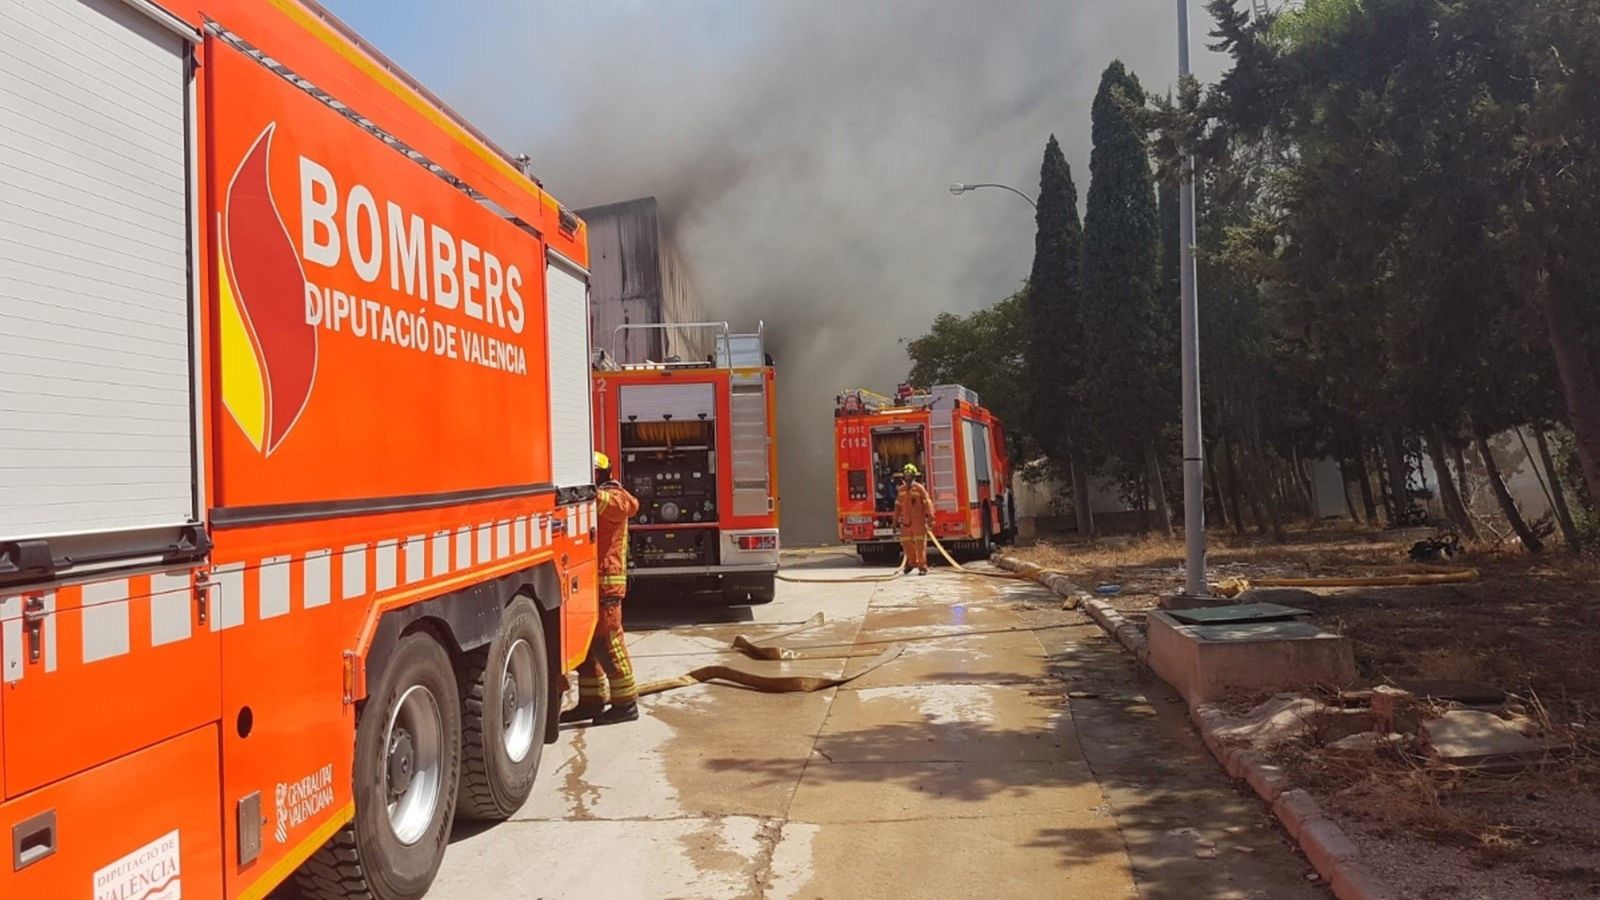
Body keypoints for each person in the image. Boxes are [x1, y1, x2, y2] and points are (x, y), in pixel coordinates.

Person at [560, 452, 642, 726]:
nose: (590, 476)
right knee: (589, 648)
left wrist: (583, 488)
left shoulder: (617, 497)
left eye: (593, 472)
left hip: (606, 583)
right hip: (587, 583)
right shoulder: (596, 499)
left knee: (609, 643)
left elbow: (617, 505)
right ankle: (591, 702)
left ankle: (626, 703)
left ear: (604, 474)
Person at [896, 463, 931, 575]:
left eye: (910, 475)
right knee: (906, 543)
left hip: (918, 521)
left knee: (920, 544)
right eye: (906, 475)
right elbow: (897, 506)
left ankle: (922, 566)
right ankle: (912, 563)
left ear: (914, 476)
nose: (908, 478)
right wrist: (895, 519)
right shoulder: (901, 490)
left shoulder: (920, 488)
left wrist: (931, 518)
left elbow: (927, 503)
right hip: (906, 522)